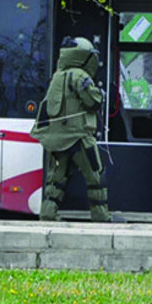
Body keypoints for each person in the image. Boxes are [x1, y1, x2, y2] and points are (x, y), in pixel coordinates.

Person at [30, 36, 122, 223]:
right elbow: (93, 101)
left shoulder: (58, 76)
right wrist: (100, 94)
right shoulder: (80, 76)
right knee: (96, 175)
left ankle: (48, 214)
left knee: (57, 178)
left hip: (58, 138)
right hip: (79, 137)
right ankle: (101, 216)